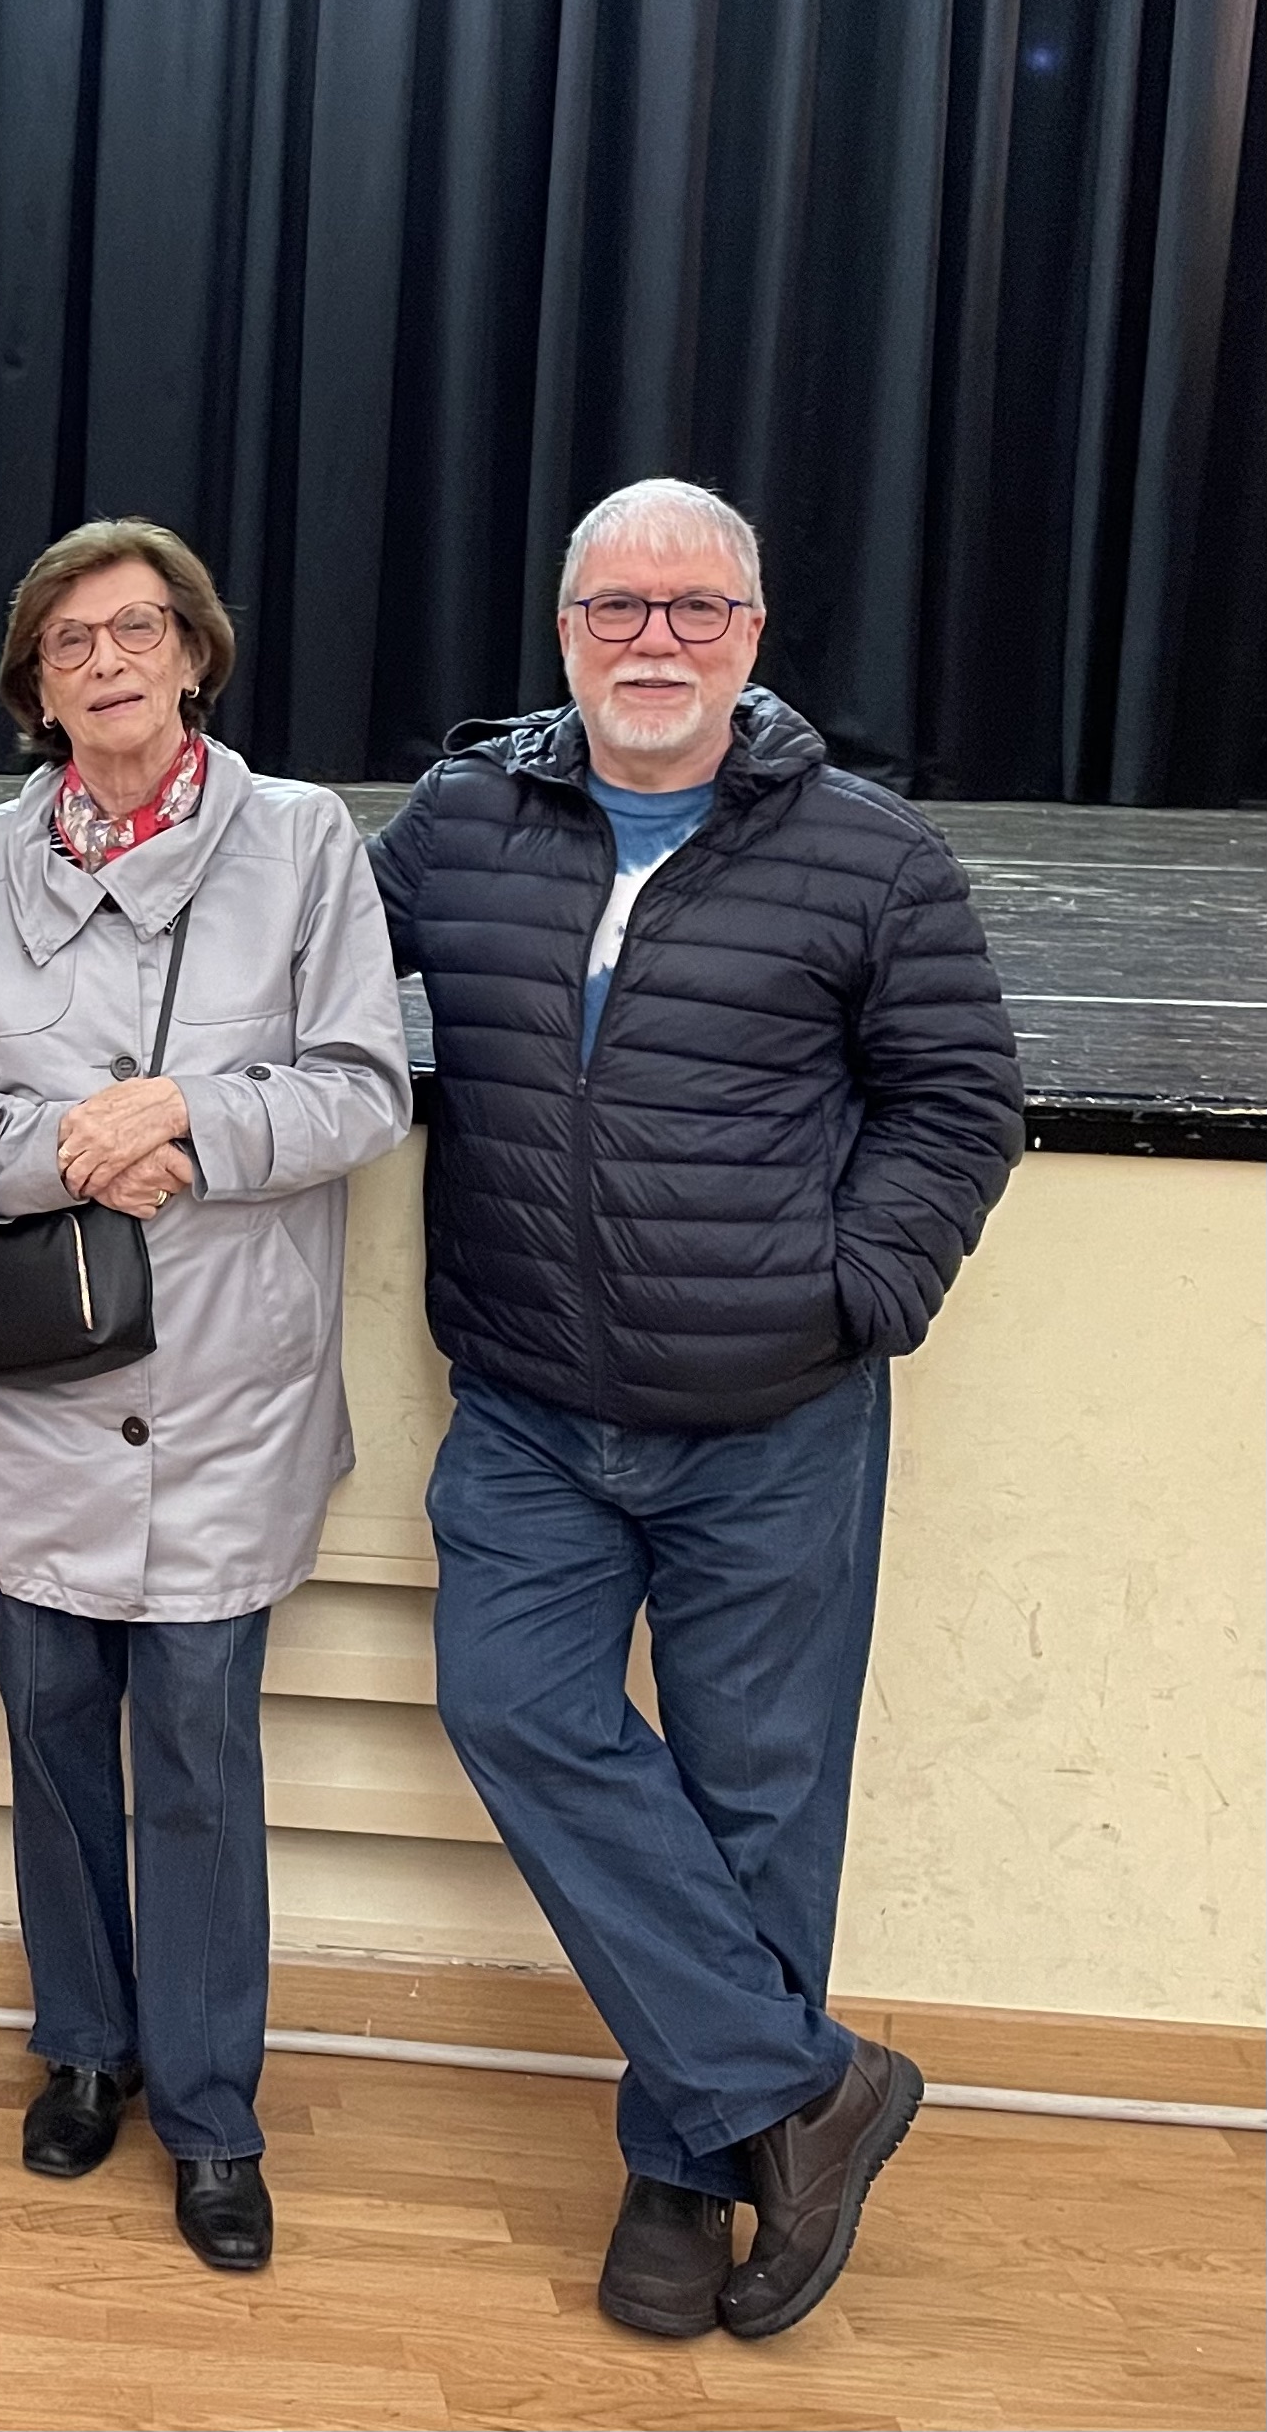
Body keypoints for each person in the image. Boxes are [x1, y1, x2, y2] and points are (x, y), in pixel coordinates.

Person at [370, 478, 1022, 2342]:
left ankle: (685, 2166)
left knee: (756, 1798)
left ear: (749, 634)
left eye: (694, 607)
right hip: (527, 1407)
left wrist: (851, 1292)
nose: (653, 637)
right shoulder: (458, 824)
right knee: (512, 1709)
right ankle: (801, 2093)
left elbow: (958, 1101)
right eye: (617, 606)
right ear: (562, 628)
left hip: (771, 1423)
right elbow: (288, 961)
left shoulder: (869, 854)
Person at [0, 519, 410, 2272]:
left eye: (138, 630)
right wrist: (66, 1151)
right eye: (70, 641)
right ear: (34, 684)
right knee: (44, 1730)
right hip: (43, 1381)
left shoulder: (305, 840)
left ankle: (213, 2114)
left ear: (193, 655)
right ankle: (83, 2049)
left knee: (193, 1747)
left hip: (230, 1388)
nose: (106, 662)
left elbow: (362, 1086)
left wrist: (186, 1116)